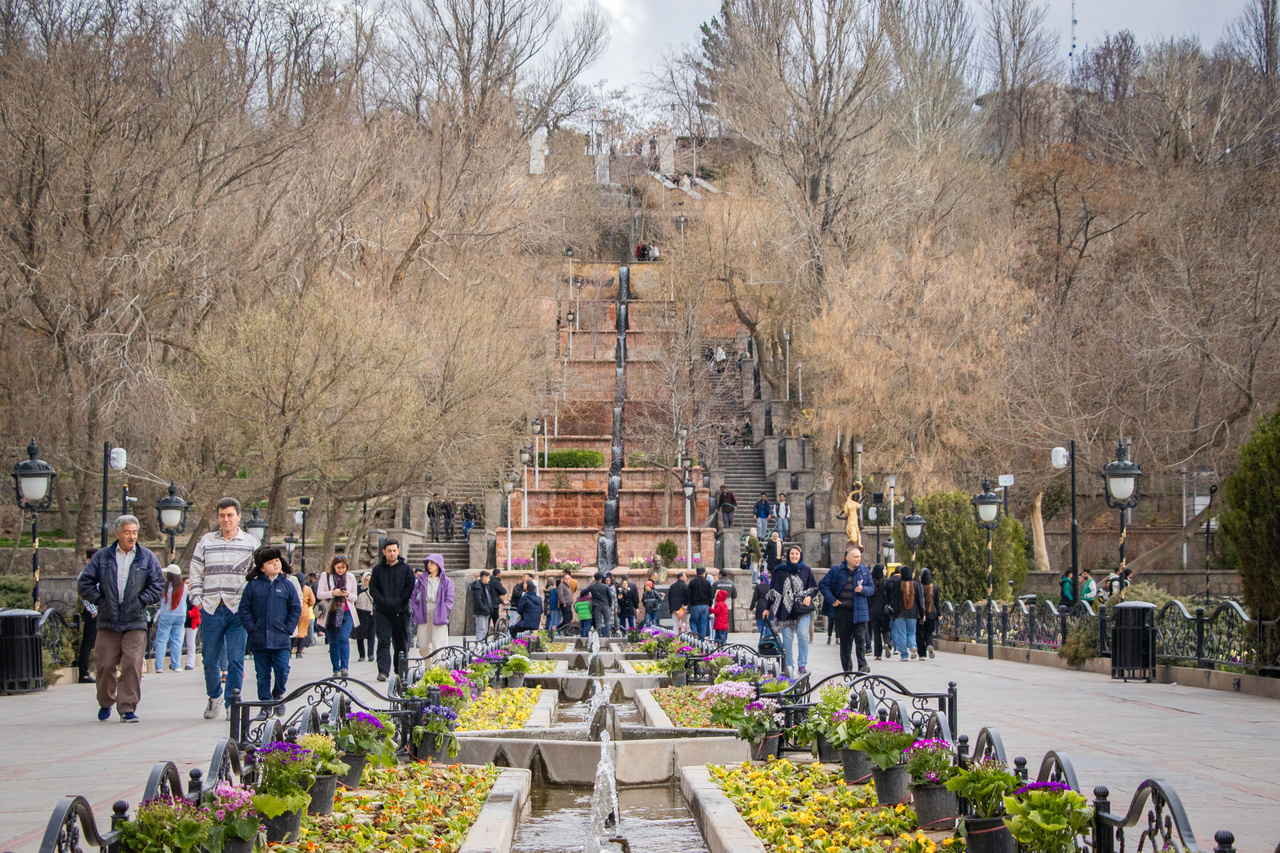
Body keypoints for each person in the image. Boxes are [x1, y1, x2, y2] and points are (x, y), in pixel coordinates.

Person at [78, 515, 163, 722]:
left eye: (134, 532)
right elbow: (84, 583)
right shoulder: (102, 557)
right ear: (117, 533)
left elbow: (158, 584)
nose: (131, 536)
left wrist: (142, 599)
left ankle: (127, 708)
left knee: (132, 664)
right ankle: (106, 701)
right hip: (108, 621)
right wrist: (101, 600)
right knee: (105, 666)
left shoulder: (147, 557)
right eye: (127, 532)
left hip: (135, 620)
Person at [189, 497, 260, 721]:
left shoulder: (251, 543)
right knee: (209, 658)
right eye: (222, 515)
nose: (226, 519)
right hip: (210, 607)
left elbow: (256, 577)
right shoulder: (206, 541)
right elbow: (195, 572)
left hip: (237, 609)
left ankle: (232, 702)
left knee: (236, 659)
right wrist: (197, 599)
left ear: (239, 516)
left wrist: (251, 605)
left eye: (230, 515)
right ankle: (214, 695)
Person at [238, 547, 302, 720]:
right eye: (270, 562)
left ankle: (278, 694)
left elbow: (295, 609)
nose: (275, 564)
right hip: (259, 638)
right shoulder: (253, 586)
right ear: (262, 567)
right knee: (263, 674)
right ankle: (265, 704)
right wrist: (252, 628)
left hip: (281, 638)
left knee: (282, 669)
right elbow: (244, 609)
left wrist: (288, 628)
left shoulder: (287, 585)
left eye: (277, 561)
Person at [763, 545, 818, 676]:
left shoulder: (806, 570)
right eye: (792, 553)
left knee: (803, 635)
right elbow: (773, 591)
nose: (794, 556)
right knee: (787, 639)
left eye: (797, 554)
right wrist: (766, 608)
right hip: (785, 611)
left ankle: (802, 665)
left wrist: (809, 597)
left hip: (802, 609)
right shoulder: (779, 571)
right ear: (788, 555)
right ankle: (789, 666)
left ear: (800, 556)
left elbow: (814, 588)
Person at [820, 544, 875, 673]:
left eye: (860, 557)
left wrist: (863, 589)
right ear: (847, 558)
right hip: (843, 611)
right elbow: (822, 584)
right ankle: (847, 669)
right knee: (845, 642)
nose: (858, 559)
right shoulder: (837, 570)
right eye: (856, 557)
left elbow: (872, 589)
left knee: (860, 640)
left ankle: (862, 666)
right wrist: (832, 599)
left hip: (860, 611)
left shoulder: (864, 571)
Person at [369, 539, 414, 682]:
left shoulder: (406, 569)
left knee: (401, 642)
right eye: (389, 551)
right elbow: (373, 589)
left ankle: (401, 670)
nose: (392, 553)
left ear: (398, 551)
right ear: (384, 552)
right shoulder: (377, 570)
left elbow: (409, 588)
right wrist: (383, 602)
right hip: (382, 611)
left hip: (401, 611)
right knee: (383, 641)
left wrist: (399, 601)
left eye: (394, 550)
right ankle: (383, 671)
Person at [317, 555, 359, 677]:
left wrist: (347, 594)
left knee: (343, 639)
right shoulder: (326, 576)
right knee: (333, 642)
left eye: (343, 567)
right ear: (334, 566)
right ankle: (336, 668)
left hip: (346, 612)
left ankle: (344, 667)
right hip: (331, 613)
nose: (341, 570)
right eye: (338, 567)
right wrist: (332, 593)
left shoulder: (350, 577)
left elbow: (354, 597)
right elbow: (319, 594)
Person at [410, 554, 455, 656]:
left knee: (438, 644)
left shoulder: (446, 581)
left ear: (438, 565)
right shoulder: (422, 580)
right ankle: (428, 666)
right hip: (424, 611)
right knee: (422, 644)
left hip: (439, 612)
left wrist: (445, 611)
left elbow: (449, 598)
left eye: (432, 563)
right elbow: (413, 595)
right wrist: (416, 609)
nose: (429, 565)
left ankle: (437, 669)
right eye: (428, 563)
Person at [153, 564, 187, 674]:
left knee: (161, 640)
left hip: (166, 615)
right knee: (177, 640)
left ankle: (159, 666)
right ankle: (177, 665)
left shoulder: (166, 586)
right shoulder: (183, 587)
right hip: (180, 615)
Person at [887, 565, 924, 661]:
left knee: (902, 634)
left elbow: (894, 598)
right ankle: (913, 647)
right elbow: (919, 600)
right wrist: (922, 613)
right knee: (912, 633)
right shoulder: (915, 585)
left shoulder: (897, 583)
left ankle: (904, 655)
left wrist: (894, 610)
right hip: (913, 613)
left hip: (900, 613)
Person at [77, 548, 99, 684]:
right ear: (88, 560)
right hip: (92, 612)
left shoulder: (99, 572)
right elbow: (84, 593)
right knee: (88, 642)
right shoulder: (85, 574)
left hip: (100, 611)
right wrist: (93, 610)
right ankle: (83, 674)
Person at [868, 565, 890, 660]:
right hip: (884, 610)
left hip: (873, 611)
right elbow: (889, 596)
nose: (886, 570)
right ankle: (887, 643)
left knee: (876, 633)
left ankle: (878, 654)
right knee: (886, 630)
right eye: (884, 569)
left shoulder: (871, 583)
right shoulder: (886, 582)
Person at [916, 568, 939, 659]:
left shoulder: (919, 587)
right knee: (929, 632)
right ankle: (929, 644)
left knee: (920, 634)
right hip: (931, 613)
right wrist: (939, 613)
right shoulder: (935, 588)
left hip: (921, 614)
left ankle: (922, 654)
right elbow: (937, 602)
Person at [352, 572, 374, 662]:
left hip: (372, 613)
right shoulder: (358, 589)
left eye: (369, 580)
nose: (368, 582)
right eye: (366, 580)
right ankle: (362, 655)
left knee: (371, 635)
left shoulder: (374, 589)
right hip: (360, 613)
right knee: (360, 635)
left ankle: (371, 654)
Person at [687, 566, 714, 639]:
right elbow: (710, 595)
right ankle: (701, 640)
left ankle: (695, 634)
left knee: (693, 621)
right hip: (705, 605)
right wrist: (710, 604)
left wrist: (689, 604)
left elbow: (688, 595)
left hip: (694, 605)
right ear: (704, 573)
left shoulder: (692, 582)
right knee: (703, 623)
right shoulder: (707, 582)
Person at [292, 578, 315, 659]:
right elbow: (312, 601)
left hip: (293, 610)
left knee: (293, 631)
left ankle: (289, 650)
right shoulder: (308, 589)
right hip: (304, 610)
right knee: (302, 632)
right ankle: (299, 652)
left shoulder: (293, 586)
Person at [470, 571, 493, 640]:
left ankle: (483, 643)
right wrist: (485, 608)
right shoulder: (478, 586)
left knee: (485, 629)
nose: (489, 580)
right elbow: (478, 601)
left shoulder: (485, 586)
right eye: (488, 578)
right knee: (481, 629)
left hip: (486, 611)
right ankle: (479, 644)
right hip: (480, 612)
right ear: (484, 578)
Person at [714, 568, 738, 632]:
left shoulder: (716, 583)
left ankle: (718, 635)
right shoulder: (731, 583)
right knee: (726, 619)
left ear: (720, 575)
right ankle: (725, 634)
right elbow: (735, 595)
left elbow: (711, 593)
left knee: (718, 619)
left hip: (718, 603)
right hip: (728, 604)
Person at [488, 569, 508, 636]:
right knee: (496, 621)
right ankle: (496, 636)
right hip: (494, 605)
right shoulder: (496, 581)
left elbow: (492, 594)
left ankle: (484, 638)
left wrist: (501, 601)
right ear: (498, 574)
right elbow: (503, 591)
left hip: (487, 604)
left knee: (487, 622)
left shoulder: (488, 581)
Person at [184, 598, 200, 670]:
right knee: (178, 641)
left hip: (192, 622)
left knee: (190, 642)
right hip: (182, 621)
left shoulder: (194, 596)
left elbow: (198, 610)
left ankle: (190, 662)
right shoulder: (183, 594)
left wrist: (187, 614)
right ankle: (176, 662)